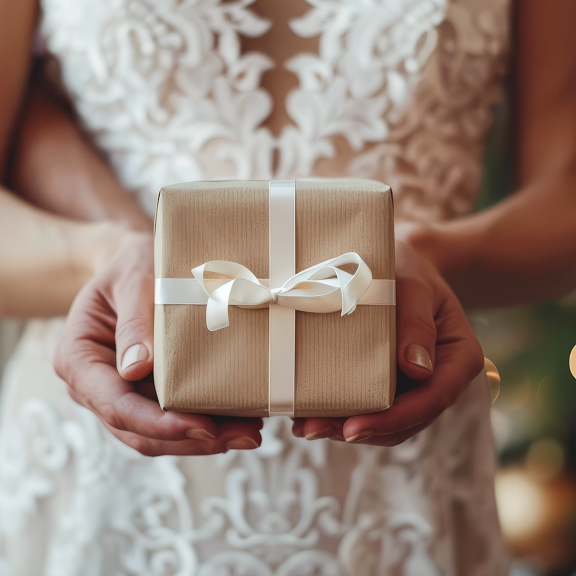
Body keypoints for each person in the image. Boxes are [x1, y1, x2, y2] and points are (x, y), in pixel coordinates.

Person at [0, 0, 574, 573]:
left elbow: (564, 195)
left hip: (398, 449)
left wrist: (434, 255)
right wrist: (99, 257)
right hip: (107, 422)